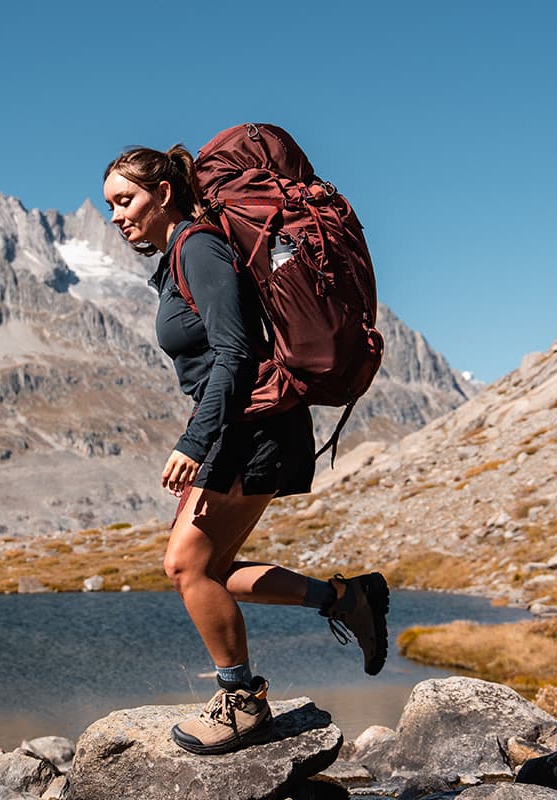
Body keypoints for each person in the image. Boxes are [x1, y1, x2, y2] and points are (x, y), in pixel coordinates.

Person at [101, 145, 390, 756]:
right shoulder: (184, 253)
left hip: (249, 428)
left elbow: (234, 354)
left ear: (164, 193)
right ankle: (347, 599)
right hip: (242, 424)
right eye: (111, 206)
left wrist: (195, 441)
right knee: (214, 572)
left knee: (186, 566)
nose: (117, 217)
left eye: (126, 201)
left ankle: (241, 699)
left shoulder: (198, 246)